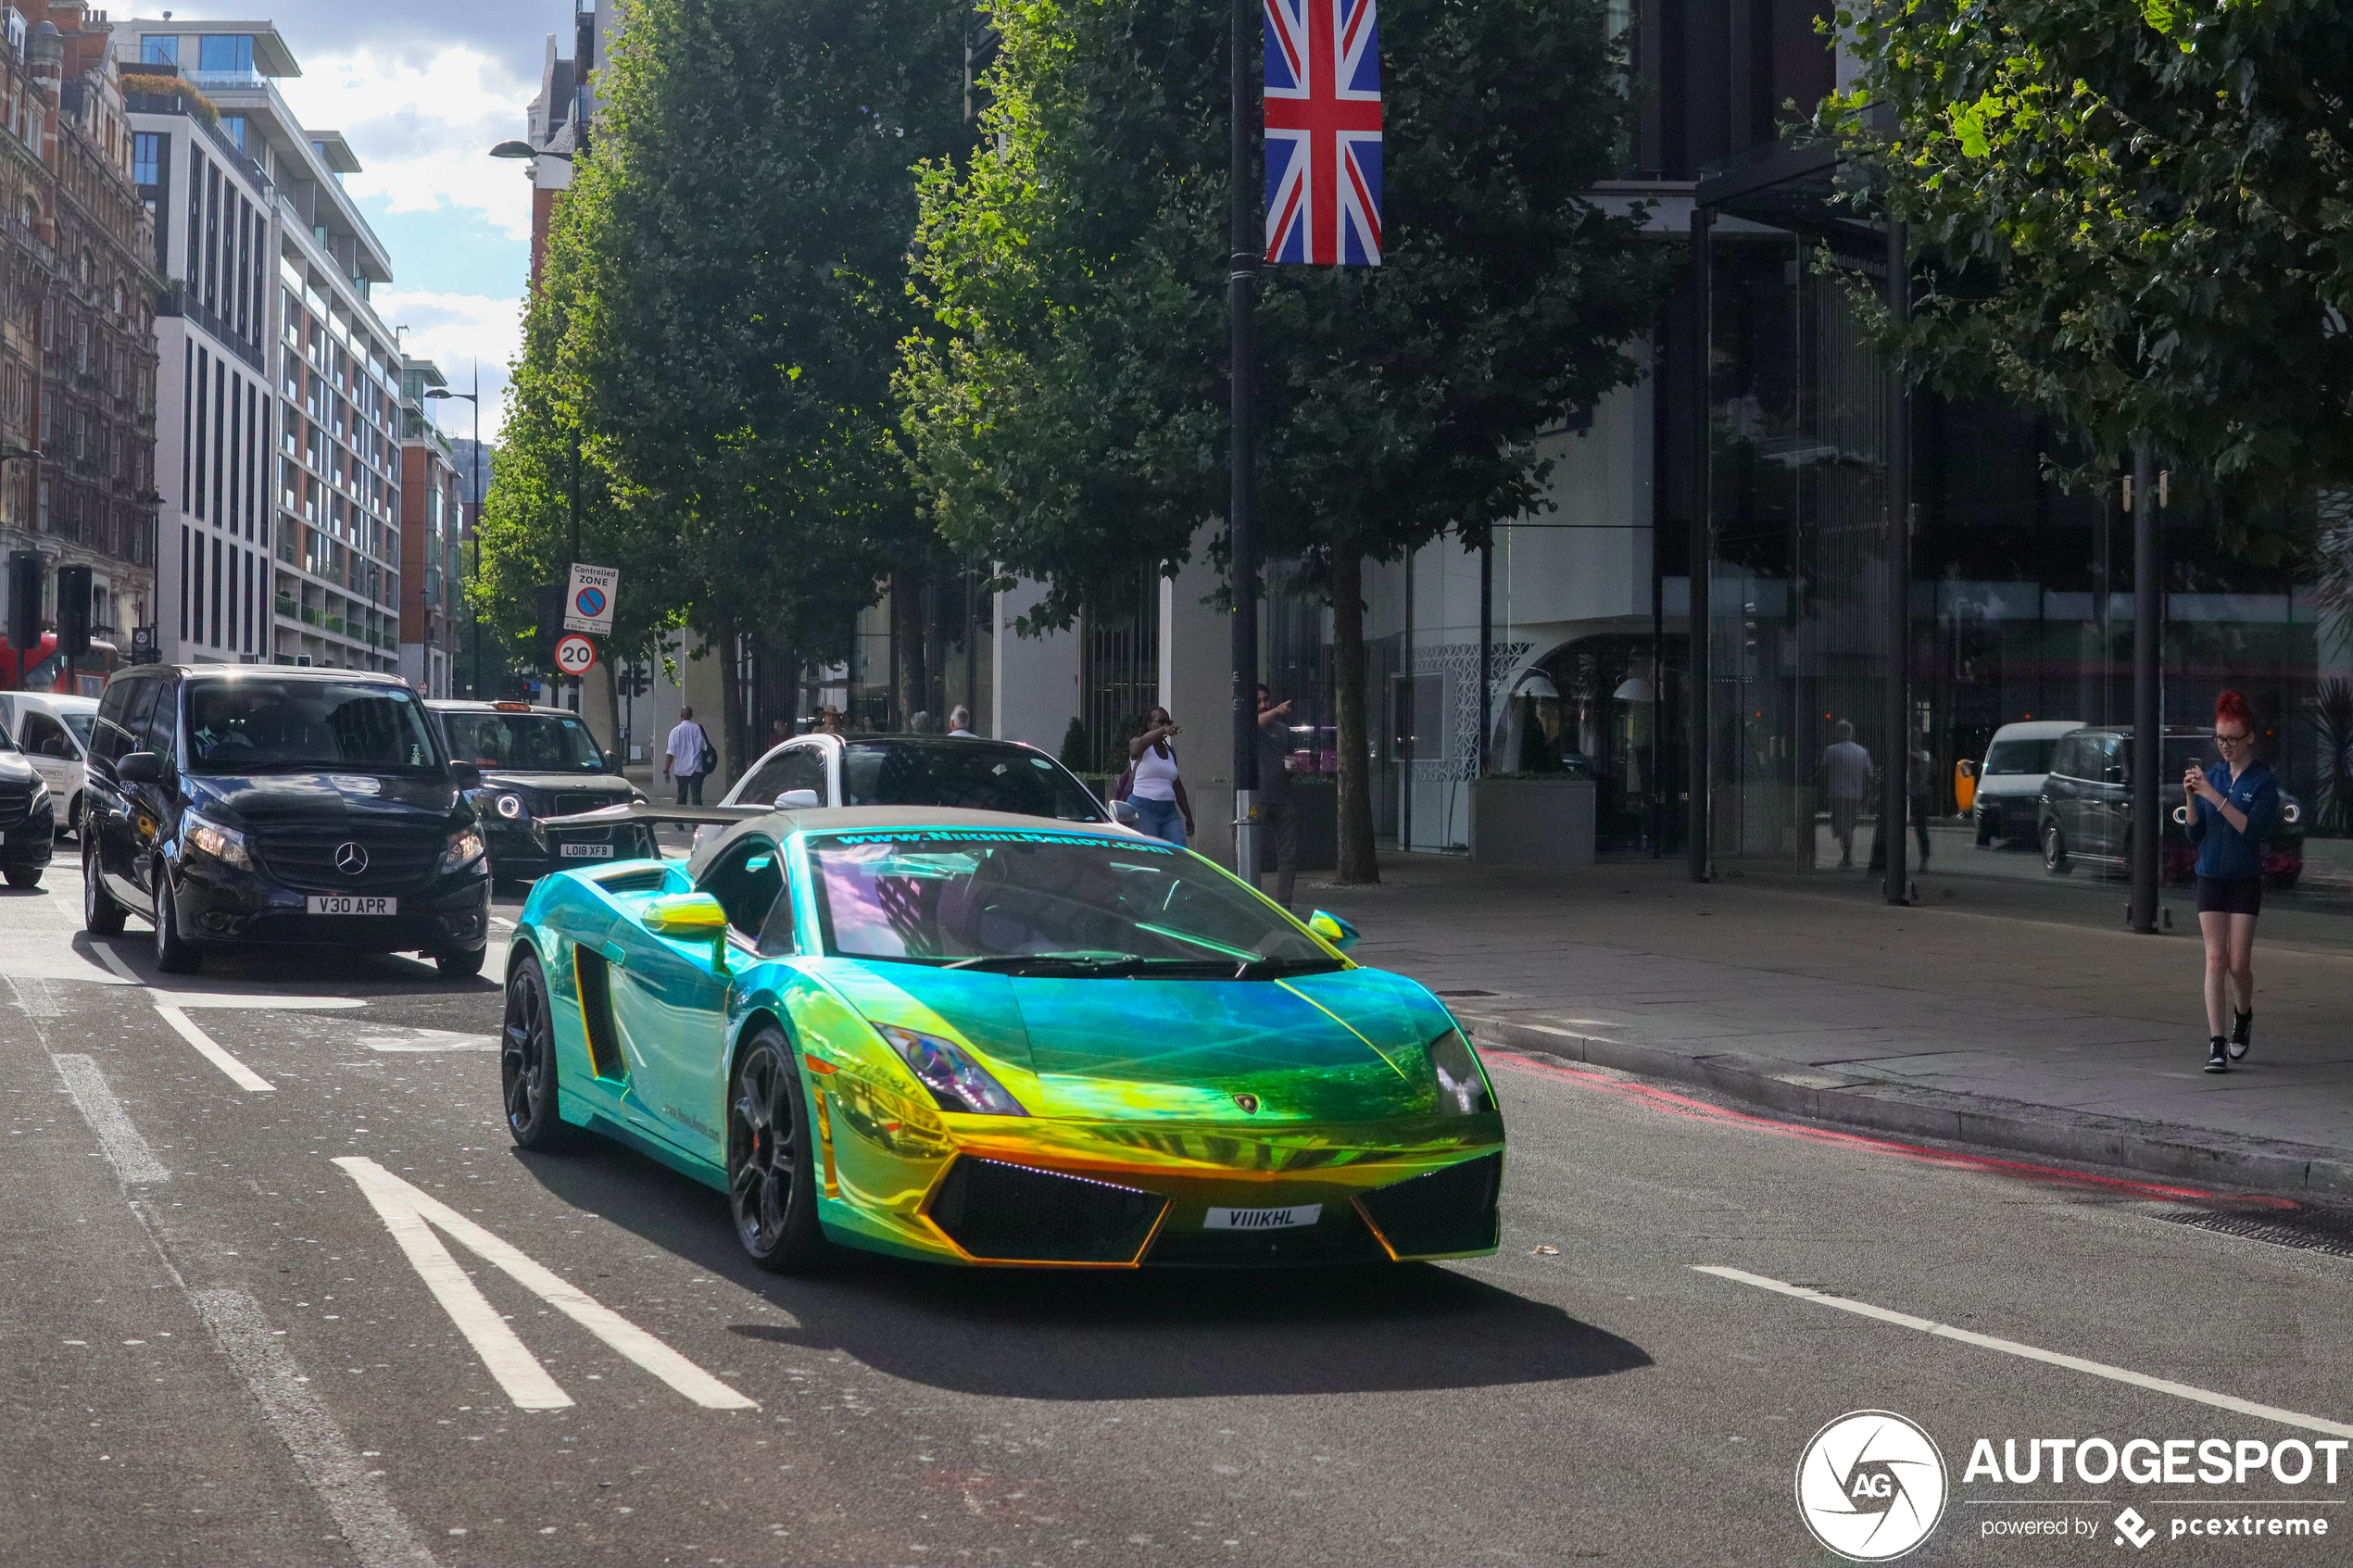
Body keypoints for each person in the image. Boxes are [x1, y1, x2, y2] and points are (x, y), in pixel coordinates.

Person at [2185, 690, 2277, 1073]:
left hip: (2243, 878)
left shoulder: (2262, 781)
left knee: (2239, 964)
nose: (2225, 746)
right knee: (2215, 959)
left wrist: (2213, 795)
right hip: (2210, 875)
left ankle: (2244, 1016)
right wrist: (2191, 798)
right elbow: (2195, 835)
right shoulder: (2214, 775)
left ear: (2250, 737)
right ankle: (2216, 1044)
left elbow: (2252, 830)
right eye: (2220, 738)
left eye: (2233, 738)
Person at [1255, 684, 1300, 909]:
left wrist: (1297, 765)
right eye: (1259, 701)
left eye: (1266, 700)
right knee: (1251, 853)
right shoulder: (1250, 725)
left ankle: (1284, 906)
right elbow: (1255, 724)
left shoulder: (1283, 730)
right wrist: (1274, 711)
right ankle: (1253, 903)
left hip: (1283, 798)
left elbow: (1289, 759)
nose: (1263, 705)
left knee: (1288, 857)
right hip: (1258, 799)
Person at [1124, 707, 1194, 847]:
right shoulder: (1138, 744)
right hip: (1143, 809)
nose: (1166, 726)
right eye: (1161, 722)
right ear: (1149, 725)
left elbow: (1177, 786)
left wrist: (1188, 816)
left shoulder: (1169, 752)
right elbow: (1141, 744)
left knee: (1178, 853)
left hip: (1169, 811)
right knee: (1149, 857)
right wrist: (1164, 730)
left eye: (1168, 722)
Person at [1821, 721, 1872, 869]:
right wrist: (1866, 795)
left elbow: (1823, 771)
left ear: (1838, 733)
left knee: (1841, 825)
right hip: (1855, 795)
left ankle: (1847, 854)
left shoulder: (1831, 750)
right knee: (1849, 824)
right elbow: (1867, 775)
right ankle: (1847, 853)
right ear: (1851, 733)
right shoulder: (1862, 752)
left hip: (1837, 794)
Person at [664, 706, 713, 806]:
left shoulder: (675, 732)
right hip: (697, 768)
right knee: (696, 796)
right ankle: (697, 819)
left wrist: (666, 770)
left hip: (681, 769)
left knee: (681, 796)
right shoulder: (699, 729)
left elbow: (670, 753)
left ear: (680, 716)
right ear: (691, 716)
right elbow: (705, 747)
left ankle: (680, 820)